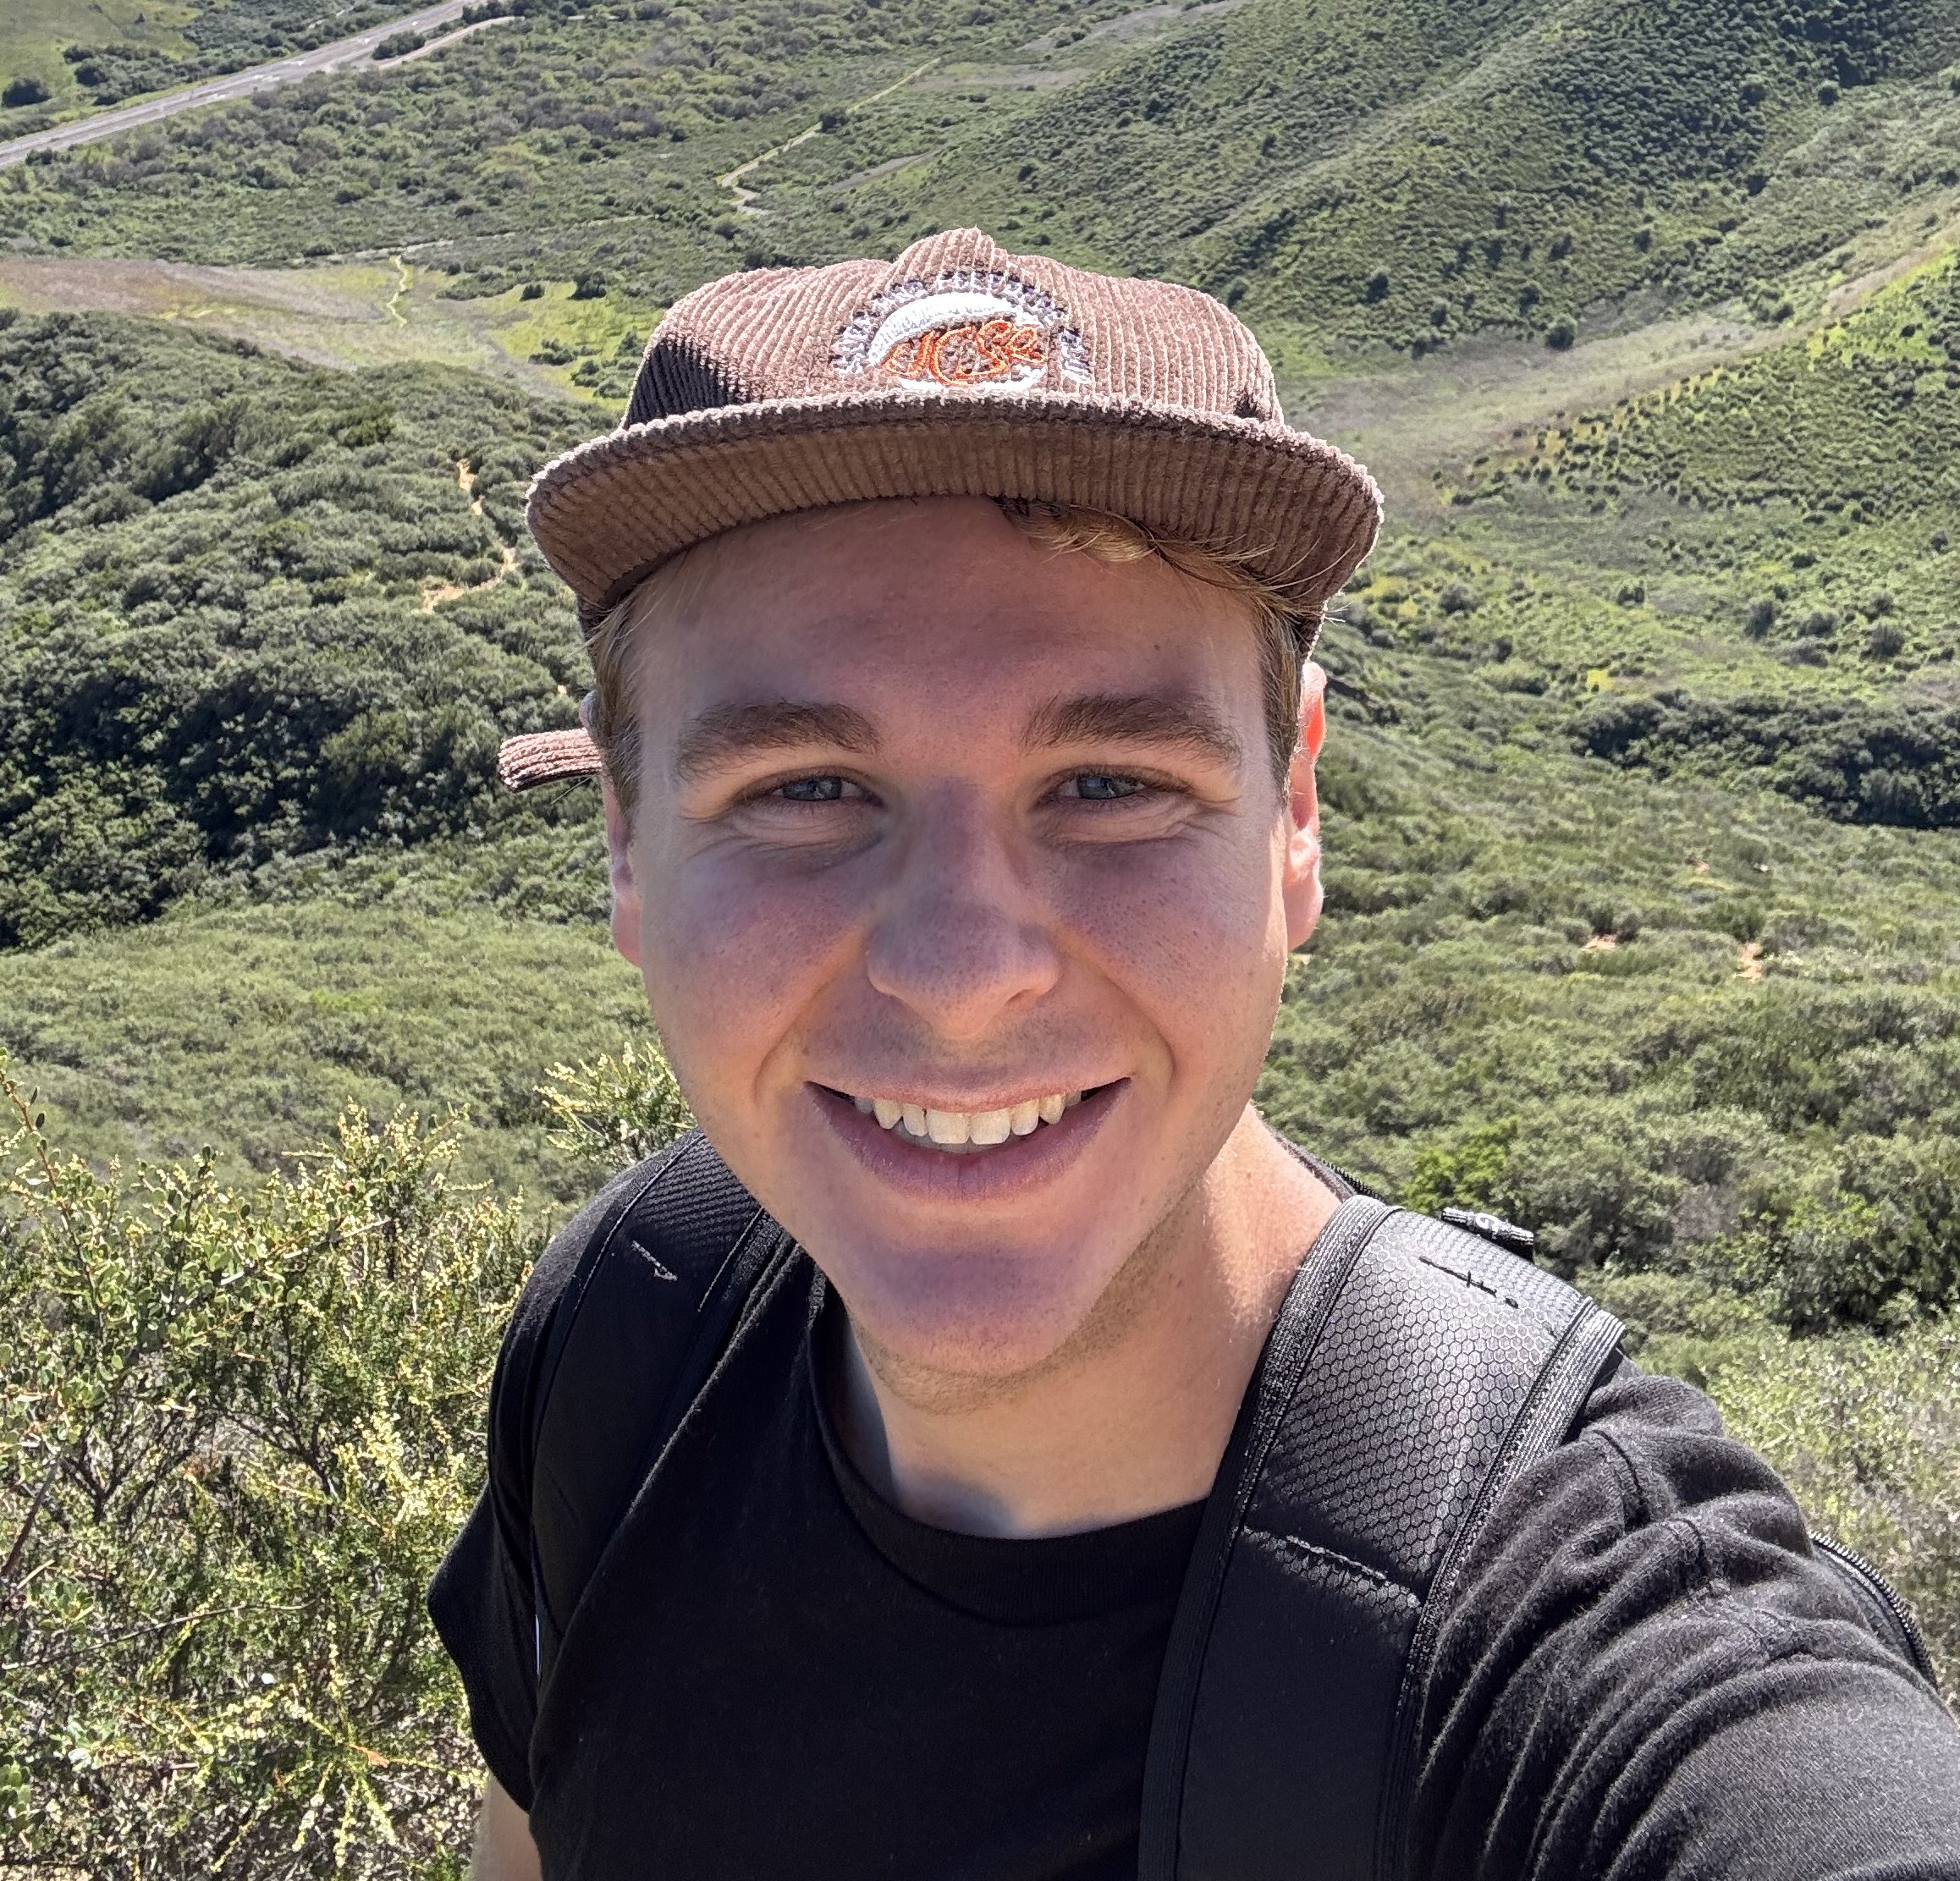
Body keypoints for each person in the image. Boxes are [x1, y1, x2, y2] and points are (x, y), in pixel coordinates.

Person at [432, 226, 1960, 1881]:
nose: (962, 973)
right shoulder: (634, 1330)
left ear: (1296, 810)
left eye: (1108, 781)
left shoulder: (1587, 1647)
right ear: (629, 842)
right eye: (804, 786)